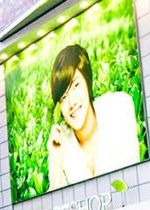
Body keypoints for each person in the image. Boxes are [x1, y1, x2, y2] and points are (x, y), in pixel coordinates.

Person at [47, 44, 141, 190]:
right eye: (64, 97)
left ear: (88, 82)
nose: (71, 102)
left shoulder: (119, 107)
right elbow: (56, 203)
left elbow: (134, 181)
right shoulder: (60, 143)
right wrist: (56, 164)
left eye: (76, 85)